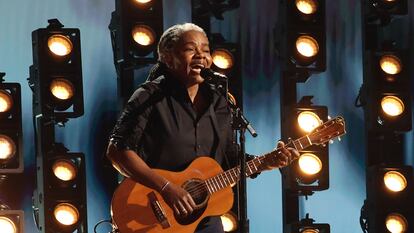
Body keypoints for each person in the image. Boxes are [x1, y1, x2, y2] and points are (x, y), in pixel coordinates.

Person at [106, 22, 299, 233]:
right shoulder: (149, 95)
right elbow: (118, 152)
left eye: (206, 51)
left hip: (204, 222)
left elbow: (227, 156)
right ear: (168, 58)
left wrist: (265, 162)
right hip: (152, 215)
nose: (201, 56)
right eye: (191, 49)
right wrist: (167, 188)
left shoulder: (220, 101)